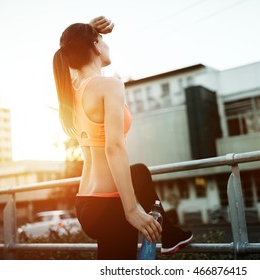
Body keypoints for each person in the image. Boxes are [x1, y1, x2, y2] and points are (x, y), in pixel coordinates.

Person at [52, 16, 192, 260]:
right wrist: (131, 209)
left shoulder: (74, 90)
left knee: (138, 172)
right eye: (102, 41)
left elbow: (73, 53)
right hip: (110, 205)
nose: (107, 45)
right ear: (95, 45)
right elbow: (114, 147)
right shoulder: (109, 85)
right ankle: (170, 234)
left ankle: (171, 234)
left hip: (86, 203)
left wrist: (88, 31)